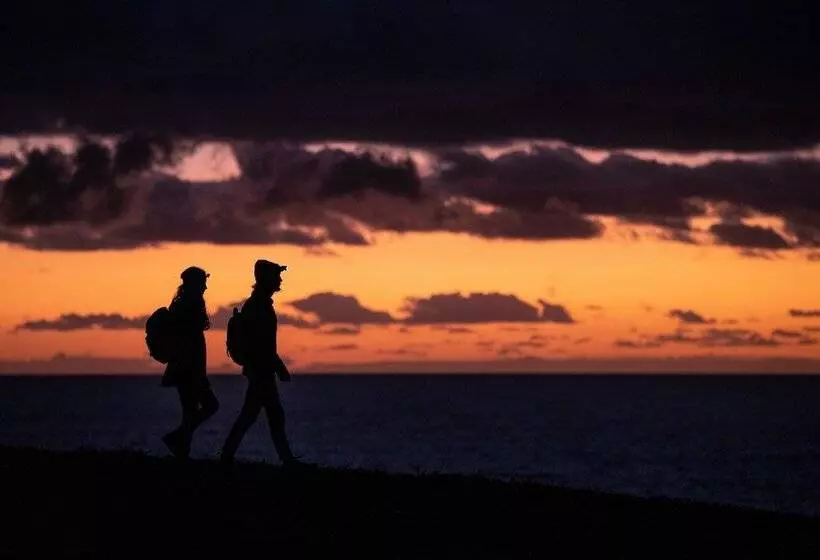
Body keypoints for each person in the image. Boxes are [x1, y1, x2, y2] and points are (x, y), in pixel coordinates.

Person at [221, 259, 305, 469]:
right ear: (267, 279)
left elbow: (264, 342)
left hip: (261, 369)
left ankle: (228, 456)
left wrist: (276, 366)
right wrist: (279, 367)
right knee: (268, 415)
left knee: (256, 415)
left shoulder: (259, 303)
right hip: (261, 370)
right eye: (276, 275)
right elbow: (262, 342)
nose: (280, 279)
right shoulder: (258, 305)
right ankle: (286, 461)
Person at [161, 266, 219, 458]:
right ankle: (178, 438)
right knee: (210, 406)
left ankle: (182, 453)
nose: (205, 287)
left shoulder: (183, 304)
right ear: (195, 284)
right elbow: (187, 340)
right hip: (189, 368)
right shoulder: (188, 306)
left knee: (190, 411)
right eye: (203, 282)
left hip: (186, 367)